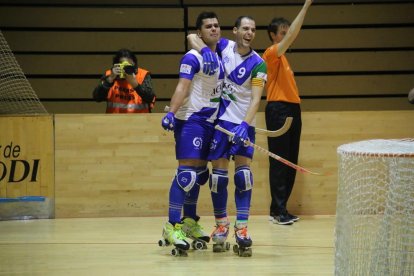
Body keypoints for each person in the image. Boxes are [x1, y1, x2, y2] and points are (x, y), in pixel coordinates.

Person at [188, 15, 267, 256]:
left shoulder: (259, 63)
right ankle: (221, 226)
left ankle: (241, 228)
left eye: (253, 29)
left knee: (244, 177)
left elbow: (255, 99)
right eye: (245, 28)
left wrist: (245, 124)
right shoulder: (223, 46)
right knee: (218, 178)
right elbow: (191, 37)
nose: (249, 33)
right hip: (220, 123)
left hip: (244, 125)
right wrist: (207, 52)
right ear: (235, 31)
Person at [159, 11, 223, 255]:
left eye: (217, 25)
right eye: (208, 26)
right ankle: (171, 225)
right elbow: (182, 85)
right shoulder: (192, 56)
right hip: (191, 121)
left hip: (210, 123)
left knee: (198, 175)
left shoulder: (221, 54)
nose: (214, 29)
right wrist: (171, 113)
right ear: (201, 32)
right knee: (186, 174)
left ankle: (189, 221)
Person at [263, 0, 313, 225]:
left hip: (293, 109)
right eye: (282, 32)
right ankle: (278, 211)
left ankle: (280, 208)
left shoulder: (285, 60)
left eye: (286, 32)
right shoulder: (271, 54)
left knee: (291, 160)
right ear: (273, 36)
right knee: (280, 160)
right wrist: (305, 6)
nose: (287, 35)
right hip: (278, 109)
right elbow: (294, 33)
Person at [92, 48, 156, 113]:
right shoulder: (110, 75)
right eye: (123, 66)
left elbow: (150, 98)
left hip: (139, 121)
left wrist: (135, 85)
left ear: (135, 66)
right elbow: (97, 97)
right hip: (114, 121)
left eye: (129, 66)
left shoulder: (142, 75)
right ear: (116, 65)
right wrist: (110, 79)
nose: (126, 69)